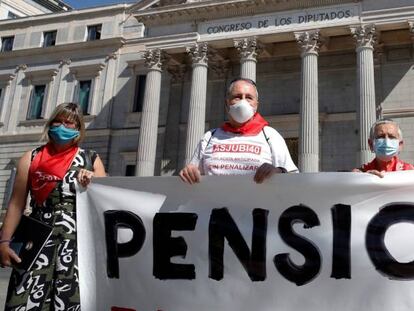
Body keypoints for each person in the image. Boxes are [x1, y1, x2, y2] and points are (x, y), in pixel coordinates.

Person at [0, 102, 106, 310]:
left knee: (68, 301)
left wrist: (94, 182)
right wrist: (4, 241)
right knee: (25, 300)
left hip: (76, 242)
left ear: (78, 130)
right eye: (58, 121)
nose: (62, 126)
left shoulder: (90, 159)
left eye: (69, 123)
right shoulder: (30, 158)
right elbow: (16, 204)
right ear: (50, 123)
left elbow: (105, 201)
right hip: (36, 239)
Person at [179, 78, 298, 184]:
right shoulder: (209, 137)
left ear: (256, 105)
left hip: (258, 207)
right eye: (237, 96)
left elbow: (294, 178)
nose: (243, 102)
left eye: (249, 97)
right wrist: (189, 171)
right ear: (227, 103)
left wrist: (277, 172)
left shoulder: (270, 136)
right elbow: (193, 174)